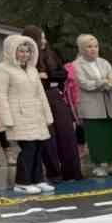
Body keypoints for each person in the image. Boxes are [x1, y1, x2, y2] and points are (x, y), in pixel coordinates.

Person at [0, 34, 55, 195]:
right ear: (11, 51)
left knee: (38, 148)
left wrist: (47, 115)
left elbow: (40, 94)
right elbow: (0, 95)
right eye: (21, 51)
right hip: (18, 115)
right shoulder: (2, 69)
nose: (25, 54)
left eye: (28, 51)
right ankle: (22, 182)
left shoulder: (32, 69)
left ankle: (38, 179)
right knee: (28, 148)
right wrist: (6, 118)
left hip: (36, 114)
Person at [23, 25, 83, 183]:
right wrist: (44, 77)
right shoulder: (26, 58)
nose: (44, 41)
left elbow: (63, 74)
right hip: (37, 99)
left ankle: (72, 172)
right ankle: (54, 173)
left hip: (54, 96)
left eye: (44, 38)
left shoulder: (51, 54)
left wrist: (48, 76)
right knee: (48, 137)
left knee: (66, 133)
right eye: (41, 38)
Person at [70, 34, 112, 177]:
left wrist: (109, 83)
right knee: (95, 137)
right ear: (81, 49)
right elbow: (84, 84)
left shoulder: (104, 62)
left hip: (107, 104)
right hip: (90, 106)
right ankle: (98, 165)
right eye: (89, 47)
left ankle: (111, 164)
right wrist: (104, 82)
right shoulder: (76, 65)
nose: (93, 49)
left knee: (110, 136)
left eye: (95, 46)